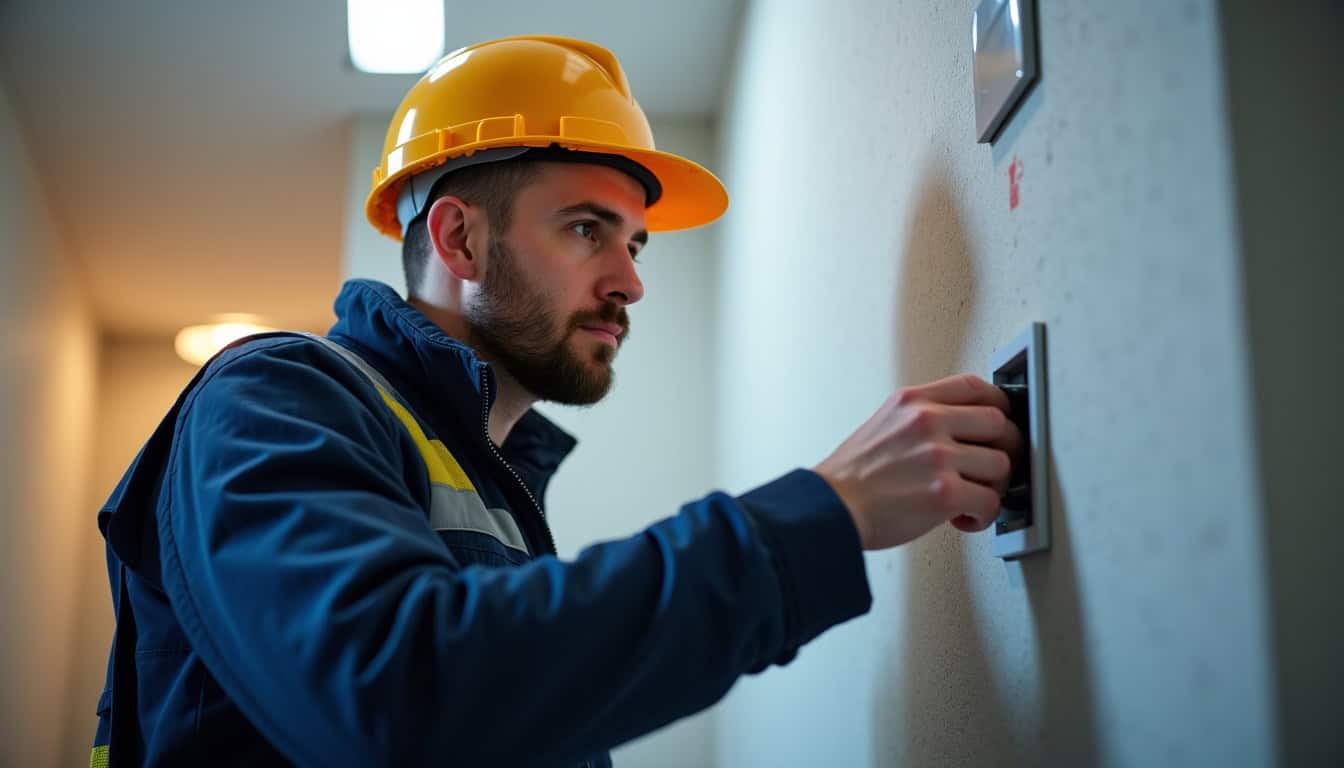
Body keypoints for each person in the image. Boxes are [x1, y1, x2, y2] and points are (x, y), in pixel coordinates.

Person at [90, 35, 1021, 767]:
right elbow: (397, 699)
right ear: (458, 239)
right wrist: (828, 513)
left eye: (637, 245)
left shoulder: (483, 477)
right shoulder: (273, 396)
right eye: (587, 230)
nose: (630, 281)